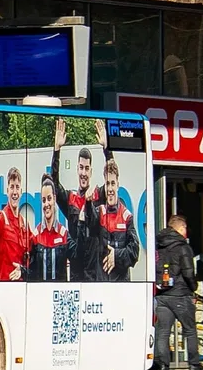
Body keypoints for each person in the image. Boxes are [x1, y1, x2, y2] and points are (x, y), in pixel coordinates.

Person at [53, 116, 111, 281]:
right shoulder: (70, 198)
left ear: (91, 171)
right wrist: (56, 150)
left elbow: (112, 177)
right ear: (77, 169)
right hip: (76, 275)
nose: (83, 173)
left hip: (94, 275)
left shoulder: (98, 195)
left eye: (86, 168)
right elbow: (54, 185)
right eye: (81, 168)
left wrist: (107, 149)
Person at [152, 214, 203, 370]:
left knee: (163, 332)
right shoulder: (183, 247)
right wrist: (193, 287)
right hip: (180, 294)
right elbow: (188, 272)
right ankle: (194, 365)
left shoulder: (158, 246)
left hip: (162, 295)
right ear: (181, 228)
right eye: (185, 228)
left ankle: (163, 367)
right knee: (190, 330)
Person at [90, 158, 140, 282]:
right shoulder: (98, 213)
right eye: (107, 184)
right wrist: (88, 202)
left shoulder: (126, 216)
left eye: (113, 183)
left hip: (121, 286)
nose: (110, 189)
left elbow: (134, 252)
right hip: (101, 285)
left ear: (118, 185)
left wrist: (116, 256)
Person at [0, 166, 31, 281]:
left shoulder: (25, 224)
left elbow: (32, 256)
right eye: (12, 187)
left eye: (17, 187)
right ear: (7, 191)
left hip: (22, 286)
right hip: (5, 286)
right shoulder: (1, 218)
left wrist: (23, 270)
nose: (14, 192)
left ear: (21, 192)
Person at [28, 175, 70, 281]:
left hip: (59, 291)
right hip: (40, 291)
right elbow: (31, 272)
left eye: (49, 199)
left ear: (54, 199)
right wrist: (22, 271)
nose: (46, 204)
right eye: (43, 200)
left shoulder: (64, 235)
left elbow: (78, 262)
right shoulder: (35, 236)